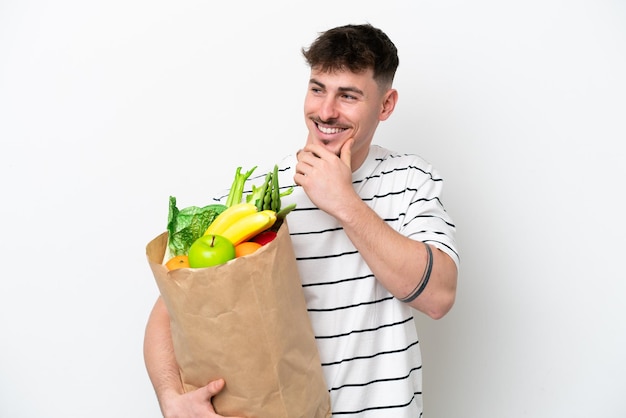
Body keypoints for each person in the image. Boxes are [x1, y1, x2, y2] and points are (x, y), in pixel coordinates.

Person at [144, 23, 459, 417]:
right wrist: (171, 398)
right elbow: (172, 305)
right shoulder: (258, 196)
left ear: (386, 104)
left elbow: (438, 297)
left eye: (348, 95)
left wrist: (344, 202)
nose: (325, 111)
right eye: (317, 89)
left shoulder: (411, 180)